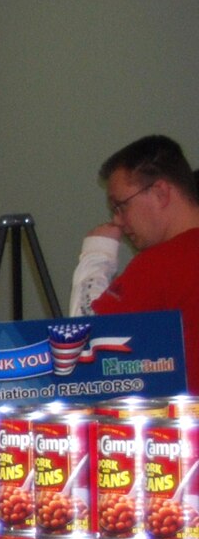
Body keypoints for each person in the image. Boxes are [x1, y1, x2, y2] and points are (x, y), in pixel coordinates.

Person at [69, 136, 199, 378]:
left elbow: (88, 347)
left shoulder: (162, 264)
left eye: (121, 205)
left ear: (160, 193)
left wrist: (97, 254)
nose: (118, 220)